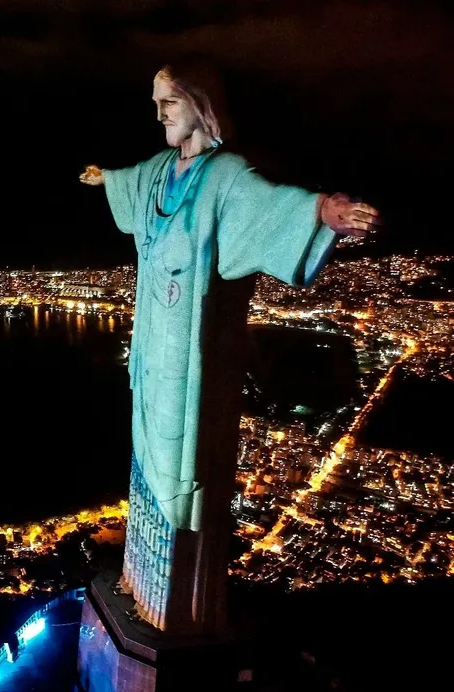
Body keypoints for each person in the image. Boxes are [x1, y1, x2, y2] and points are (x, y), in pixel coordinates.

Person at [80, 60, 380, 632]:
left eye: (168, 101)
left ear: (200, 104)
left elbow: (271, 204)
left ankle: (180, 611)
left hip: (191, 353)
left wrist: (325, 212)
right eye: (156, 102)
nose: (159, 112)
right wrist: (107, 179)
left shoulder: (225, 176)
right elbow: (134, 179)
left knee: (182, 463)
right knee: (147, 451)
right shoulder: (165, 168)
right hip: (153, 344)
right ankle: (139, 579)